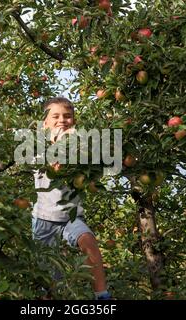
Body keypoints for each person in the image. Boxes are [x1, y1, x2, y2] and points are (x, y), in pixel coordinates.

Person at [31, 96, 112, 300]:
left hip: (71, 218)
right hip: (44, 222)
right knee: (49, 282)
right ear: (45, 124)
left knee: (89, 241)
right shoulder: (37, 149)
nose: (62, 120)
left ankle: (102, 296)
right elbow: (52, 166)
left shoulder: (80, 148)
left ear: (74, 122)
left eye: (67, 116)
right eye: (55, 116)